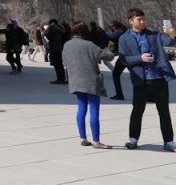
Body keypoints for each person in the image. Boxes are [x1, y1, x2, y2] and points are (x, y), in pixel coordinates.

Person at [117, 8, 176, 151]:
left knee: (164, 111)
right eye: (139, 19)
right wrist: (140, 58)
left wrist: (172, 34)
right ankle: (133, 139)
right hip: (140, 80)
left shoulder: (155, 35)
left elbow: (171, 48)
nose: (143, 22)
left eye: (144, 19)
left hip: (159, 78)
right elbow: (123, 59)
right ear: (131, 21)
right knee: (137, 110)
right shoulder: (124, 38)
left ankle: (169, 141)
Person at [62, 21, 114, 149]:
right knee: (94, 110)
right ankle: (96, 141)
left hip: (75, 80)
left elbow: (65, 62)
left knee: (81, 109)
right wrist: (108, 49)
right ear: (83, 31)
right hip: (91, 81)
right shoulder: (89, 44)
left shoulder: (67, 45)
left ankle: (83, 138)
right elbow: (108, 56)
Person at [108, 21, 128, 100]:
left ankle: (119, 95)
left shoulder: (119, 32)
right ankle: (148, 95)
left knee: (116, 75)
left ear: (115, 26)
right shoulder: (124, 32)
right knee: (136, 76)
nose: (111, 29)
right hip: (126, 56)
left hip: (124, 57)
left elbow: (109, 37)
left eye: (112, 27)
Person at [45, 19, 69, 84]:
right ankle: (62, 78)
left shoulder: (52, 28)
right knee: (60, 64)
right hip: (60, 47)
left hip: (54, 48)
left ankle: (60, 79)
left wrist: (48, 28)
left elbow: (47, 35)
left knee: (56, 64)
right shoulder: (61, 28)